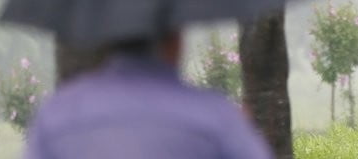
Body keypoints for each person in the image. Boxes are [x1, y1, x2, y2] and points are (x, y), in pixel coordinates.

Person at [25, 31, 273, 159]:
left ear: (109, 41)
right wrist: (240, 129)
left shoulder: (57, 117)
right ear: (175, 39)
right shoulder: (216, 117)